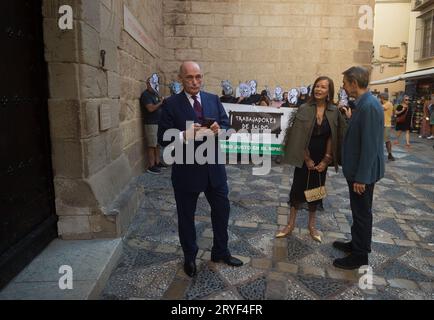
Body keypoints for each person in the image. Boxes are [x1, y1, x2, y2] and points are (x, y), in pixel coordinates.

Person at [157, 61, 243, 277]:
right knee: (186, 217)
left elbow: (228, 128)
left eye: (198, 77)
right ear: (181, 79)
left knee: (222, 212)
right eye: (189, 77)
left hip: (214, 170)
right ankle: (190, 257)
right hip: (186, 172)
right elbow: (163, 138)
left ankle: (221, 251)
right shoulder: (170, 104)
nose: (195, 82)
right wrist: (183, 135)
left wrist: (219, 130)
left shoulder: (213, 99)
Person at [277, 76, 346, 243]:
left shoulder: (334, 111)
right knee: (297, 190)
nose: (319, 89)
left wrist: (326, 159)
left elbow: (333, 136)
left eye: (323, 87)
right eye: (317, 86)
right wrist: (306, 158)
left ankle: (312, 227)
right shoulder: (304, 108)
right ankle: (290, 225)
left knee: (316, 191)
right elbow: (299, 136)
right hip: (304, 155)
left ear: (329, 91)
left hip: (322, 154)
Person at [333, 66, 385, 270]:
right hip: (357, 171)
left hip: (363, 174)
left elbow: (371, 146)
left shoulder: (369, 106)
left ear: (354, 83)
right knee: (358, 211)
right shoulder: (363, 104)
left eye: (345, 83)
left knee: (362, 214)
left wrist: (362, 178)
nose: (344, 87)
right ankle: (356, 244)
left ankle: (360, 255)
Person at [140, 76, 166, 174]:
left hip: (157, 122)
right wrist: (161, 102)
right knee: (152, 144)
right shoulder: (146, 95)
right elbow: (150, 109)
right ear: (148, 84)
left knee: (157, 144)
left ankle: (157, 162)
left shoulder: (154, 94)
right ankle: (151, 165)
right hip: (151, 123)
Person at [379, 93, 395, 161]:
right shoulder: (385, 103)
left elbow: (382, 108)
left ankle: (390, 154)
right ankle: (388, 154)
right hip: (382, 124)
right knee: (382, 140)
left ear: (382, 98)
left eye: (380, 98)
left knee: (387, 140)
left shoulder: (388, 103)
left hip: (386, 125)